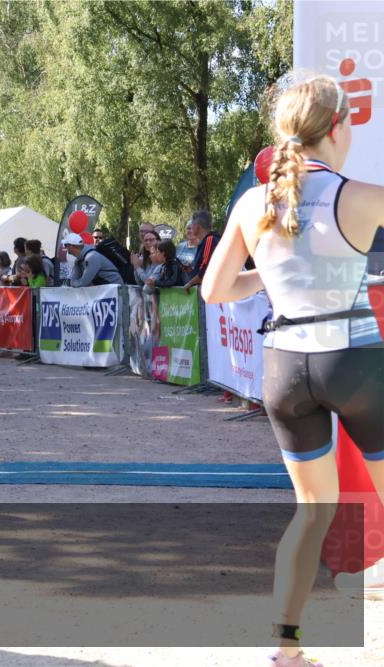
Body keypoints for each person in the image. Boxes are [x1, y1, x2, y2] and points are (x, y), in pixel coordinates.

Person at [202, 74, 384, 667]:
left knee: (311, 515)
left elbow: (215, 290)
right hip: (353, 362)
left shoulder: (255, 203)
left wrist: (277, 278)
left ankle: (286, 648)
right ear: (338, 127)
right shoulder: (361, 195)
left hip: (284, 369)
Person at [183, 210, 221, 293]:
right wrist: (191, 270)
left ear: (197, 226)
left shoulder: (210, 240)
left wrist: (189, 283)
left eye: (192, 224)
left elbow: (205, 269)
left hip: (212, 292)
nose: (191, 227)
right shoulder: (206, 241)